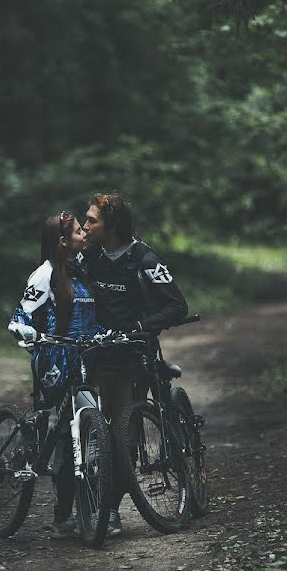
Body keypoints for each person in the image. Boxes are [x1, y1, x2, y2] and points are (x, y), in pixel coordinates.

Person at [82, 193, 189, 536]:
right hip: (97, 356)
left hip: (133, 356)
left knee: (122, 435)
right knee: (92, 435)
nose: (85, 226)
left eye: (92, 221)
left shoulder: (144, 258)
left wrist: (140, 327)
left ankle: (110, 511)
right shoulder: (88, 256)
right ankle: (83, 510)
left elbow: (176, 307)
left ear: (111, 226)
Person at [7, 211, 103, 539]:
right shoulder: (44, 274)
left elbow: (91, 317)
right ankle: (64, 517)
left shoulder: (82, 270)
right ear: (64, 241)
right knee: (67, 437)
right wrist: (23, 331)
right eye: (79, 231)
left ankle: (81, 511)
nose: (84, 233)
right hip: (55, 361)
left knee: (84, 432)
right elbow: (21, 314)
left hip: (85, 360)